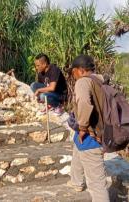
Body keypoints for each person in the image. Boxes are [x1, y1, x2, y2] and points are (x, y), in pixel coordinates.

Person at [67, 55, 109, 202]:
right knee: (77, 148)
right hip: (98, 132)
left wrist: (83, 127)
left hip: (91, 136)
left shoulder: (83, 81)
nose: (73, 75)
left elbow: (85, 103)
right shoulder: (100, 80)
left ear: (80, 70)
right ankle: (77, 182)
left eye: (73, 72)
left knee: (97, 184)